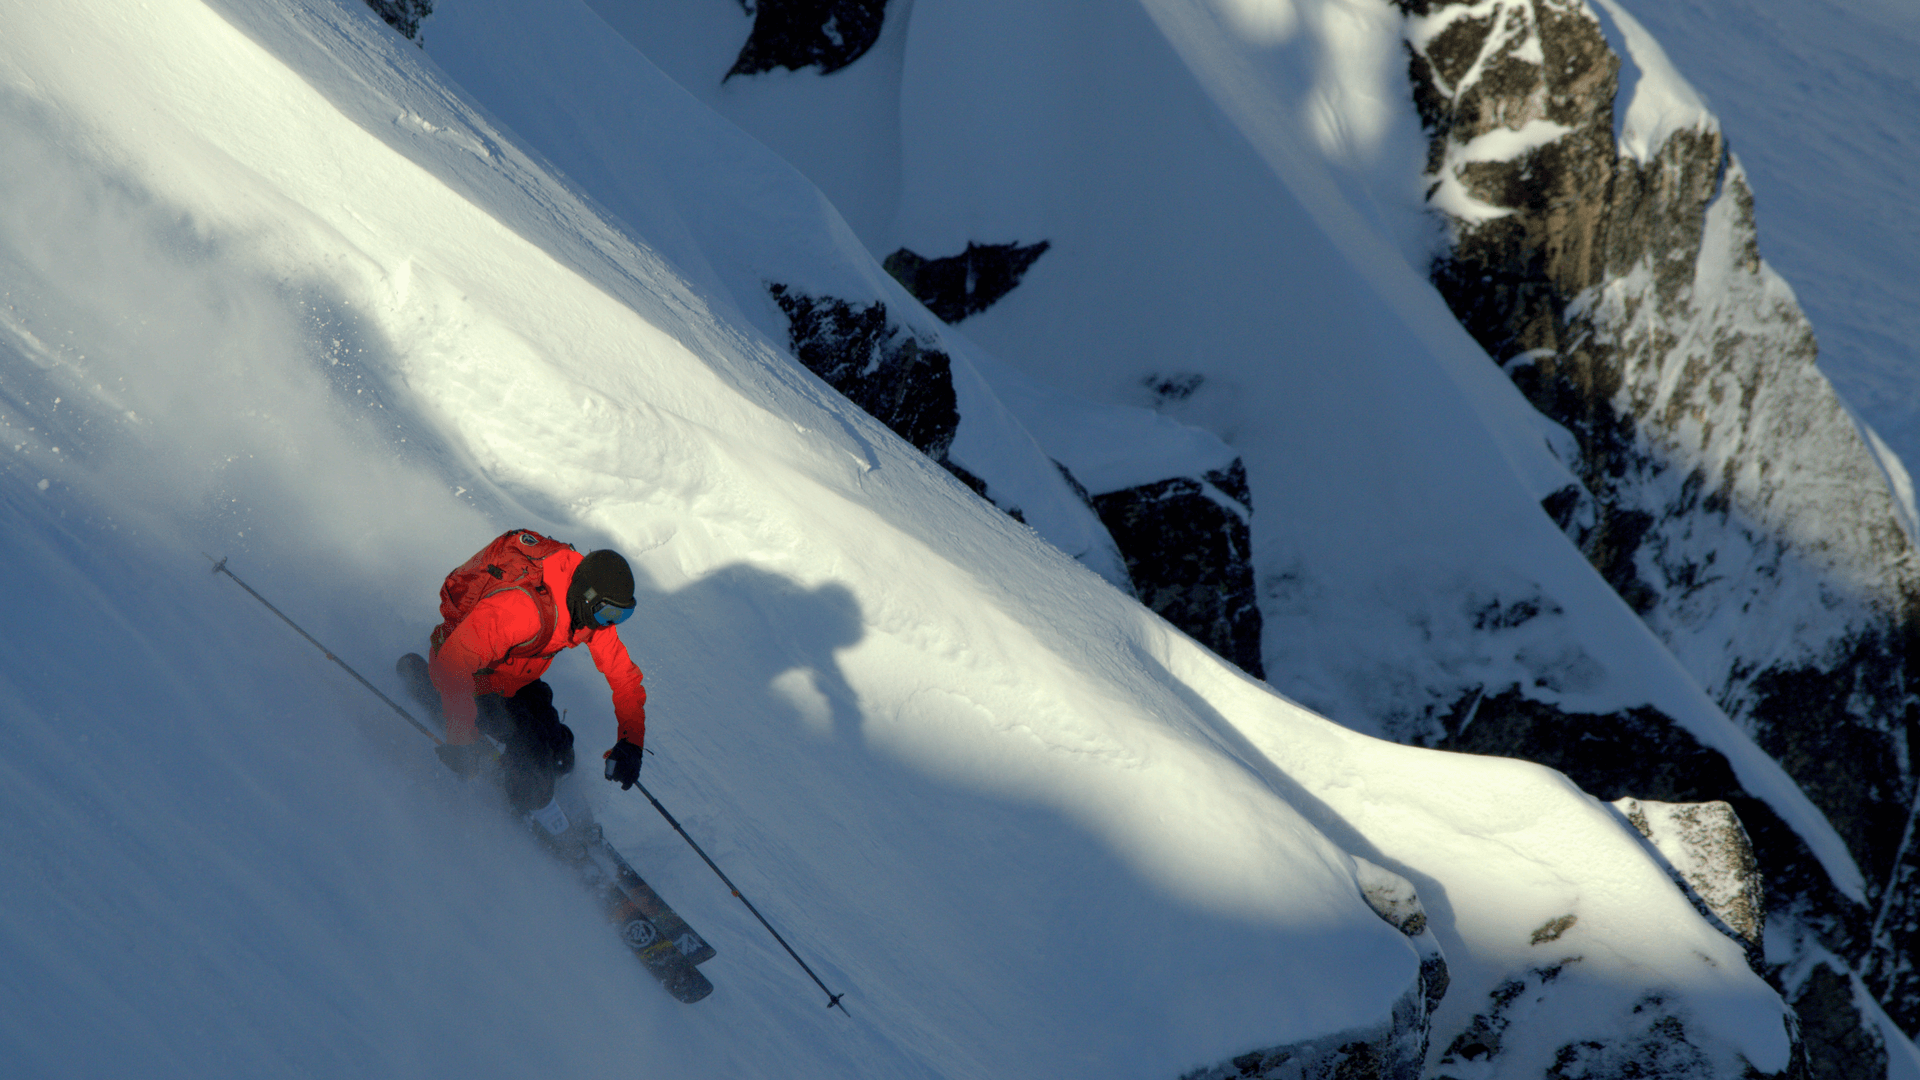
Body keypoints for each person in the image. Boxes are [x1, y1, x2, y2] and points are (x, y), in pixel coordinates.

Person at [423, 537, 649, 813]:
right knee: (533, 786)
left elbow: (624, 678)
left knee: (562, 756)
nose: (612, 623)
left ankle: (530, 770)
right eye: (611, 613)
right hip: (472, 678)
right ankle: (439, 700)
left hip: (514, 675)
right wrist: (460, 740)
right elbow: (454, 662)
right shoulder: (522, 610)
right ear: (589, 597)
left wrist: (631, 742)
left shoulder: (589, 612)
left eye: (622, 615)